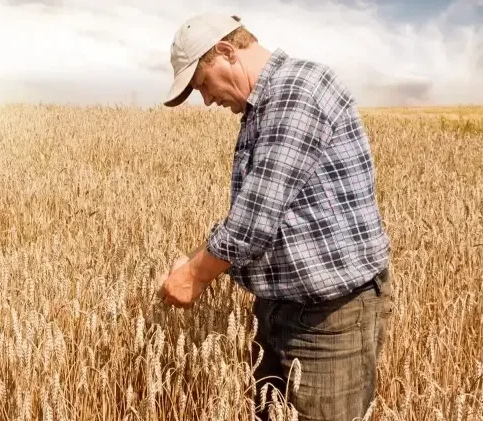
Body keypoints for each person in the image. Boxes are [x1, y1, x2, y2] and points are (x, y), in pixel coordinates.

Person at [155, 12, 394, 421]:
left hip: (330, 320)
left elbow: (254, 219)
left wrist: (193, 275)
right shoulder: (266, 104)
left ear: (227, 51)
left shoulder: (297, 91)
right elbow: (259, 211)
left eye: (203, 84)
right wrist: (198, 259)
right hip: (280, 309)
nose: (207, 100)